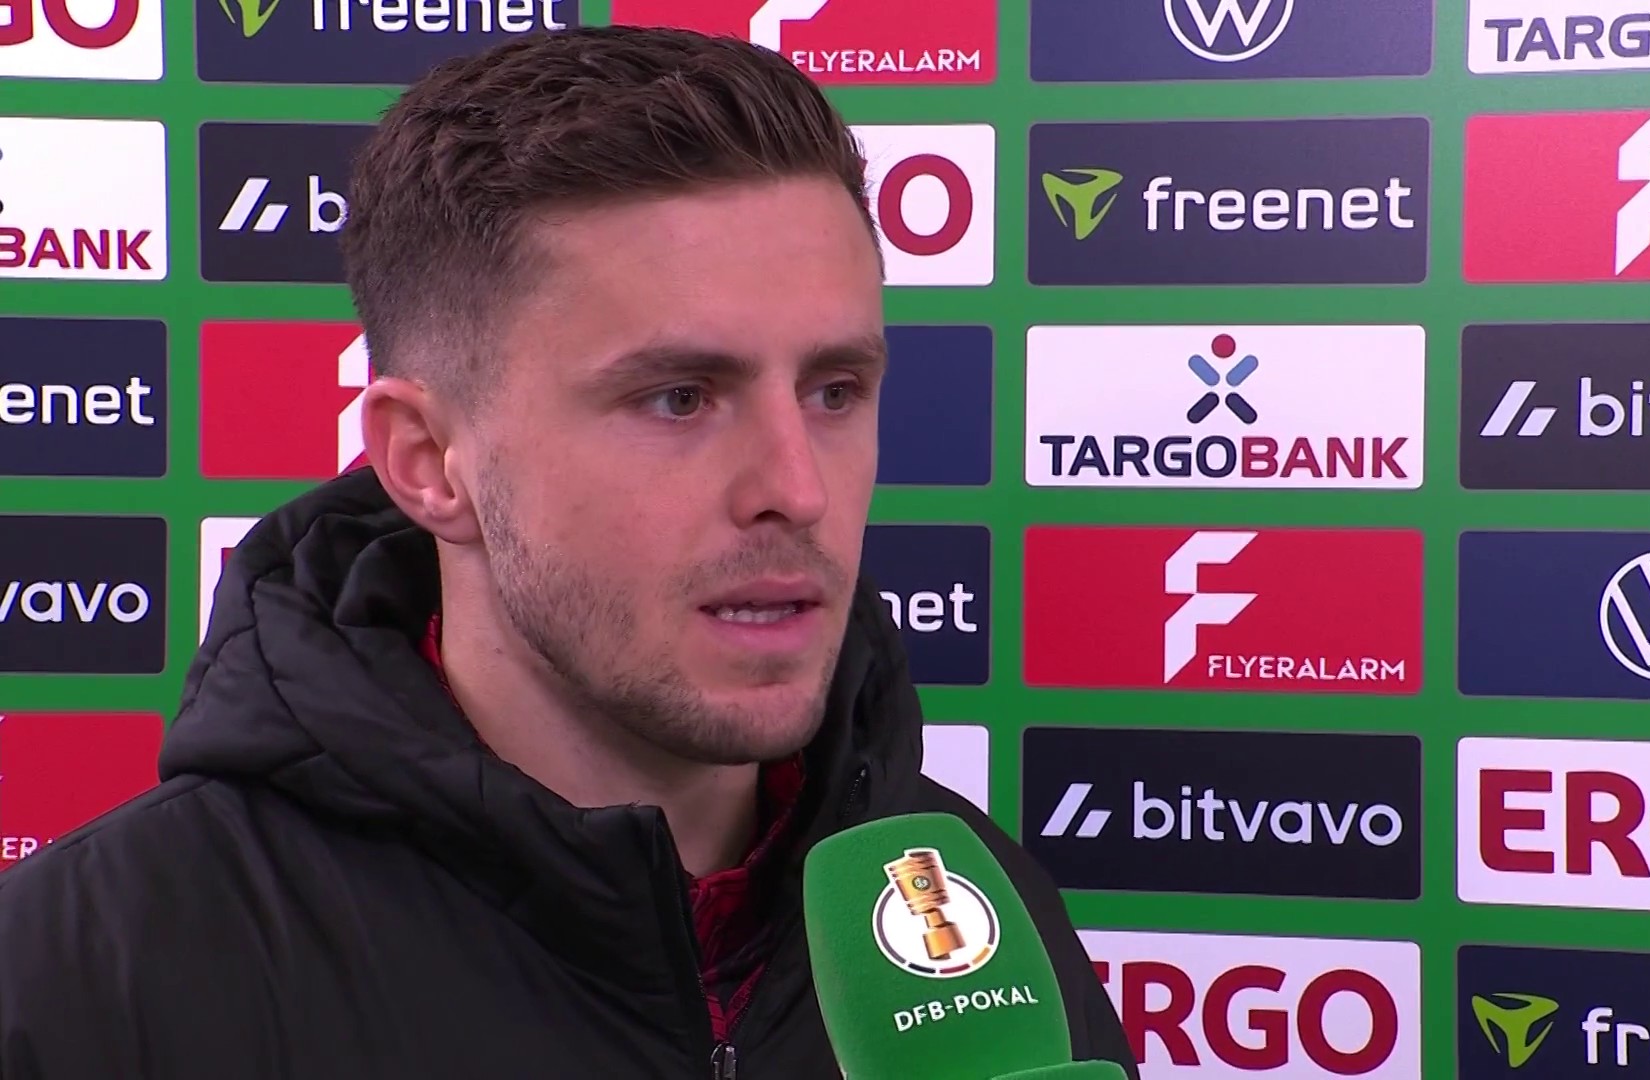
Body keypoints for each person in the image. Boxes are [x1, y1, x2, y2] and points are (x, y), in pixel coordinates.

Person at [0, 25, 1137, 1080]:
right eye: (680, 397)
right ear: (428, 462)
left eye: (835, 390)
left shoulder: (970, 921)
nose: (796, 490)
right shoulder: (89, 982)